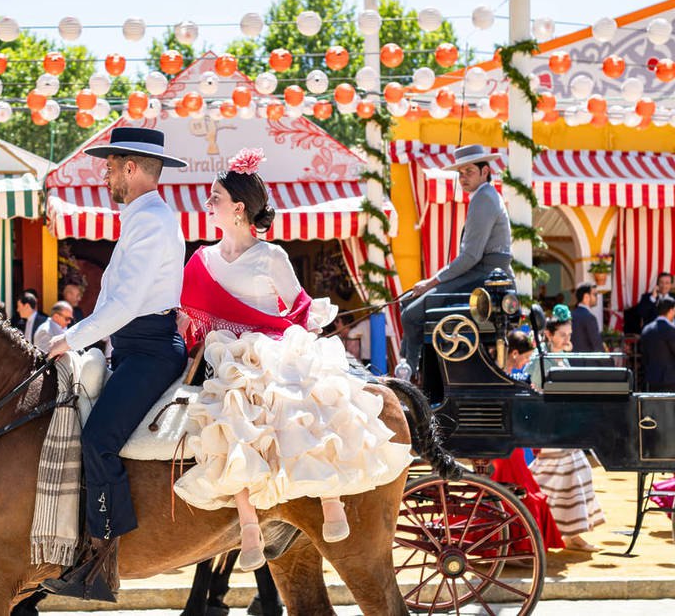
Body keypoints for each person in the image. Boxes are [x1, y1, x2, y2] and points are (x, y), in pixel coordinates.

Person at [172, 147, 412, 572]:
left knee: (308, 404)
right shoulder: (201, 258)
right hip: (226, 358)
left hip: (271, 350)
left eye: (215, 198)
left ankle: (330, 498)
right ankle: (248, 528)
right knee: (231, 425)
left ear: (239, 208)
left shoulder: (272, 256)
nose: (208, 204)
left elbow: (299, 308)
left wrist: (301, 345)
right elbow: (189, 319)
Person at [42, 127, 188, 600]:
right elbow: (118, 301)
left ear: (130, 167)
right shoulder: (141, 217)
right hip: (130, 348)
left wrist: (71, 338)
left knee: (99, 438)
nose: (104, 174)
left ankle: (104, 555)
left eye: (109, 166)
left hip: (148, 350)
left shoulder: (150, 221)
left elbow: (125, 303)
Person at [401, 145, 512, 374]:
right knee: (407, 303)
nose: (463, 178)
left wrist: (431, 282)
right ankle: (417, 371)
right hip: (479, 274)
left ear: (485, 171)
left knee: (411, 314)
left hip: (483, 277)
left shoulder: (484, 198)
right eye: (460, 173)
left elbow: (470, 257)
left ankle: (409, 375)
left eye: (469, 171)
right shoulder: (486, 195)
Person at [527, 307, 606, 551]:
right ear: (549, 335)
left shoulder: (558, 357)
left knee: (573, 475)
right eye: (563, 334)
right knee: (557, 477)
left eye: (569, 334)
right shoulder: (540, 359)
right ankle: (560, 531)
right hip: (551, 427)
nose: (568, 338)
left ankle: (569, 532)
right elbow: (537, 394)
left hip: (563, 426)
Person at [640, 295, 675, 392]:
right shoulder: (671, 330)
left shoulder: (647, 329)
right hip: (670, 380)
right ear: (671, 310)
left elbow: (644, 356)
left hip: (652, 378)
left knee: (654, 406)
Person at [570, 282, 610, 367]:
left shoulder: (572, 315)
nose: (597, 297)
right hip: (587, 365)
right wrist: (608, 364)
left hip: (572, 363)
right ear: (586, 297)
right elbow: (597, 345)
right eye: (595, 294)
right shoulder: (589, 317)